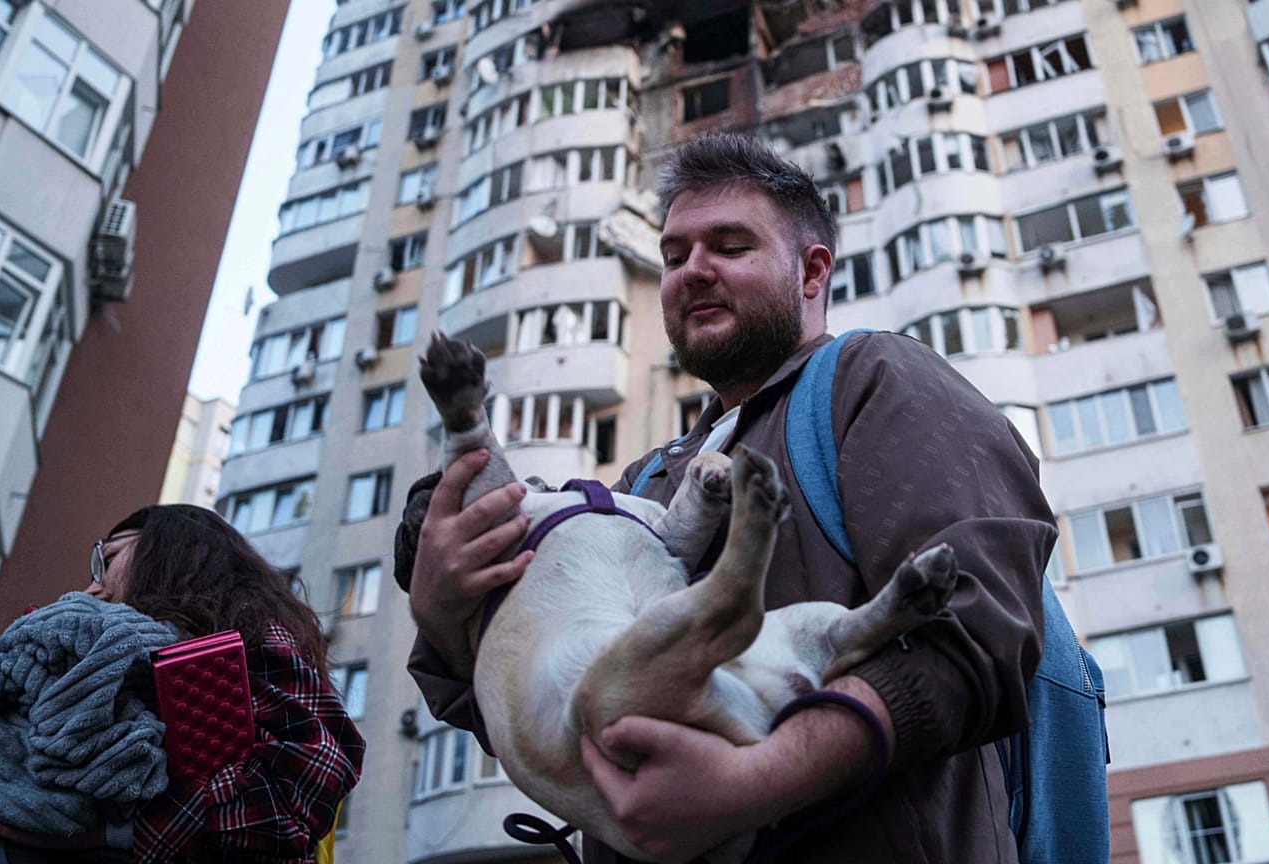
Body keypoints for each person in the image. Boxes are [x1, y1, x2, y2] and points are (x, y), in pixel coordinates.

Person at [399, 133, 1055, 863]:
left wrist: (756, 780)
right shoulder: (644, 486)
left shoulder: (873, 379)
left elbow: (981, 631)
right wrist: (440, 614)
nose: (692, 272)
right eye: (675, 256)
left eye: (730, 246)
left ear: (812, 273)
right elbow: (535, 711)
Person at [0, 504, 365, 864]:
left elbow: (306, 779)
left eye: (107, 559)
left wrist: (110, 834)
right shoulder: (123, 650)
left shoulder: (251, 636)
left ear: (172, 552)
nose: (91, 587)